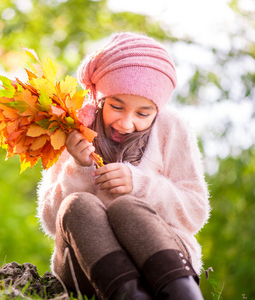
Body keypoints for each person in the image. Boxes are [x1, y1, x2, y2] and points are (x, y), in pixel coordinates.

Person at [36, 32, 210, 300]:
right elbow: (51, 219)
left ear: (158, 110)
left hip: (159, 263)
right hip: (91, 267)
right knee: (78, 205)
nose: (127, 123)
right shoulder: (74, 127)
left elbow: (195, 211)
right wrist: (79, 167)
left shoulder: (172, 129)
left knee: (126, 207)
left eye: (143, 113)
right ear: (100, 97)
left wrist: (140, 186)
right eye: (116, 106)